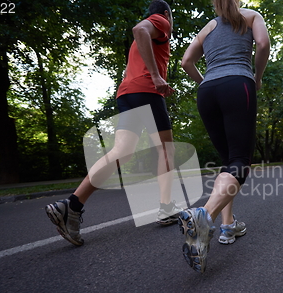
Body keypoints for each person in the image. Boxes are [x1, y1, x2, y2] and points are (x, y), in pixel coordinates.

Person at [45, 0, 181, 246]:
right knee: (166, 150)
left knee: (122, 152)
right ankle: (166, 207)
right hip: (147, 91)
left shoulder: (144, 41)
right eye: (170, 18)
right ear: (164, 14)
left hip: (127, 93)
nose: (170, 25)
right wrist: (156, 75)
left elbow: (140, 35)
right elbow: (139, 29)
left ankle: (71, 205)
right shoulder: (160, 22)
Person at [179, 0, 270, 273]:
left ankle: (228, 226)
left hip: (207, 91)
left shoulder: (208, 26)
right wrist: (257, 76)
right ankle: (204, 217)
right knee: (240, 161)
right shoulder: (251, 15)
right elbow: (263, 46)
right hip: (237, 84)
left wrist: (205, 82)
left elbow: (186, 62)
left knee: (228, 162)